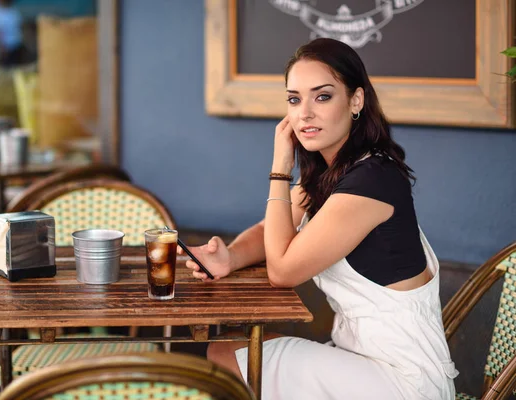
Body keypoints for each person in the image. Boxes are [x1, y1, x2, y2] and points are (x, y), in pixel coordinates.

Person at [181, 38, 458, 399]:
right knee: (236, 349)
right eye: (294, 99)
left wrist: (280, 167)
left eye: (322, 96)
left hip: (403, 382)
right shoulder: (335, 174)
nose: (304, 113)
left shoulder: (372, 181)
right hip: (364, 361)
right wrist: (230, 257)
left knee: (226, 354)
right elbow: (272, 229)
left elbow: (282, 270)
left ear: (355, 100)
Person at [0, 0, 25, 66]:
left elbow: (20, 28)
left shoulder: (14, 11)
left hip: (16, 47)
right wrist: (1, 47)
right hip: (6, 49)